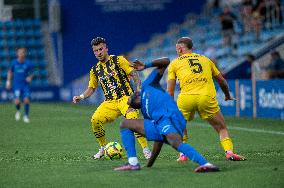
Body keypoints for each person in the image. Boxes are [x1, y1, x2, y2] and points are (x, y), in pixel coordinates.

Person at [114, 57, 219, 173]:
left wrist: (146, 65)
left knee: (174, 141)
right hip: (162, 122)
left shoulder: (147, 85)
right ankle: (133, 163)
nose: (128, 100)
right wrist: (150, 163)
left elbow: (166, 62)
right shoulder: (146, 113)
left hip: (171, 117)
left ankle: (206, 164)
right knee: (125, 124)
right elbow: (159, 140)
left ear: (136, 95)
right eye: (129, 102)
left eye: (128, 99)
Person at [167, 37, 246, 162]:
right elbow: (222, 81)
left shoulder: (174, 63)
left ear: (180, 48)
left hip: (186, 98)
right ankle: (229, 152)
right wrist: (227, 95)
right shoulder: (205, 59)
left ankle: (183, 154)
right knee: (221, 127)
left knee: (180, 125)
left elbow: (170, 90)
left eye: (177, 49)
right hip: (206, 97)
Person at [72, 37, 151, 159]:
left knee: (132, 120)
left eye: (100, 49)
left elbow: (134, 74)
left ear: (106, 48)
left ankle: (146, 150)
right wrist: (81, 96)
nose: (98, 53)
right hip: (110, 103)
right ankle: (103, 147)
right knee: (95, 120)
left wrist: (138, 90)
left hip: (126, 99)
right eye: (95, 51)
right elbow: (92, 88)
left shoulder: (118, 60)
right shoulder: (95, 70)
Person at [6, 47, 33, 123]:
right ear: (17, 53)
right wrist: (8, 82)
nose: (21, 54)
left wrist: (30, 77)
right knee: (17, 101)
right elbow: (10, 72)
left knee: (26, 100)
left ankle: (26, 116)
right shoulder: (14, 63)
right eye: (20, 52)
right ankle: (18, 111)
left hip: (25, 85)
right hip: (17, 85)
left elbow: (31, 73)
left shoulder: (28, 63)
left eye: (23, 52)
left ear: (25, 54)